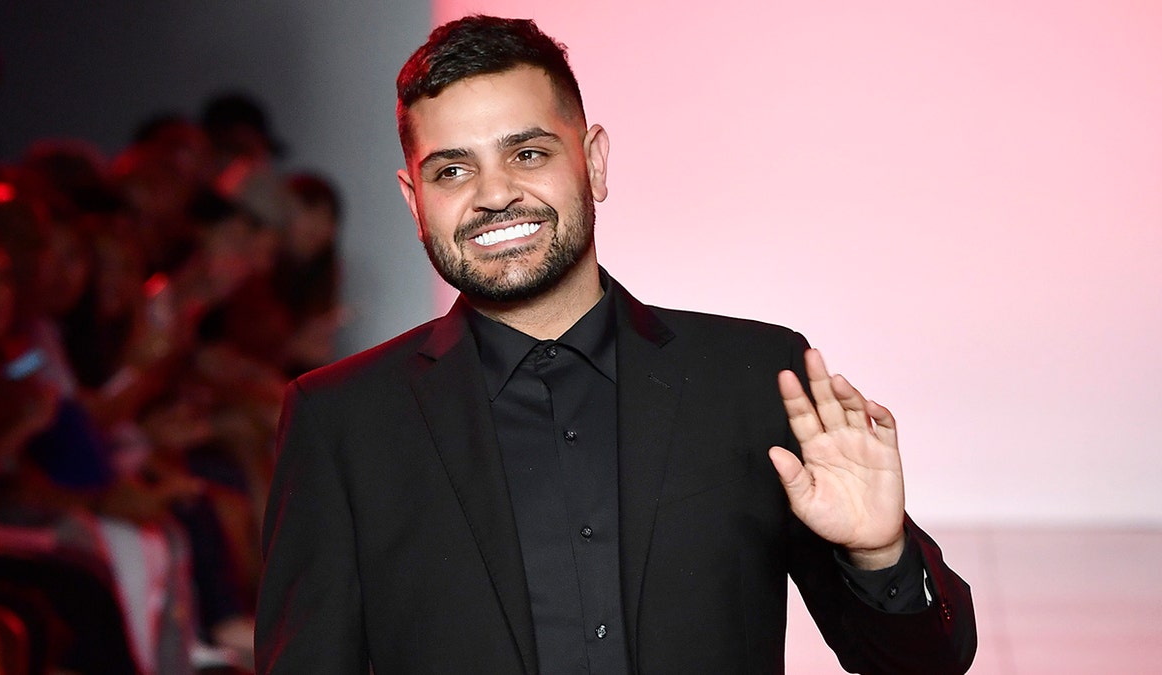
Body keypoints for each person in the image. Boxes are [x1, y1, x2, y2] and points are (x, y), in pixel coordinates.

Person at [256, 15, 977, 675]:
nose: (494, 193)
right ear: (415, 200)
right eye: (452, 170)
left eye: (528, 153)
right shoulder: (343, 421)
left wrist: (879, 554)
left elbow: (921, 664)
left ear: (593, 161)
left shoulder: (751, 378)